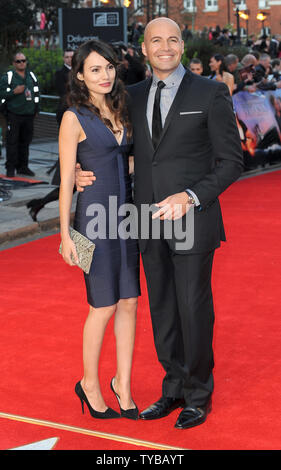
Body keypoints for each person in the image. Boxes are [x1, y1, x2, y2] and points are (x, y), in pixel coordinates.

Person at [75, 18, 243, 429]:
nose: (164, 47)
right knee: (163, 308)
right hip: (145, 221)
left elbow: (232, 161)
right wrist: (79, 170)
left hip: (192, 219)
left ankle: (198, 395)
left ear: (182, 46)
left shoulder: (211, 92)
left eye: (172, 39)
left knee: (193, 307)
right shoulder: (128, 96)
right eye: (156, 41)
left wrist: (190, 197)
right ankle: (173, 389)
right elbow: (104, 141)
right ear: (144, 50)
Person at [59, 40, 140, 420]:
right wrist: (64, 235)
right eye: (94, 69)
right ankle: (89, 383)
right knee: (102, 305)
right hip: (92, 222)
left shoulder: (124, 107)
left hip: (127, 218)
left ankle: (122, 383)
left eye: (108, 67)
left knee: (130, 302)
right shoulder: (74, 118)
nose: (104, 75)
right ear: (79, 75)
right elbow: (65, 182)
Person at [26, 50, 74, 221]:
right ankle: (38, 204)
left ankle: (38, 204)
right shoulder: (66, 107)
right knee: (67, 187)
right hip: (75, 152)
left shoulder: (77, 104)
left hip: (79, 151)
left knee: (69, 187)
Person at [0, 52, 40, 177]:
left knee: (25, 142)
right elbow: (1, 93)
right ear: (13, 63)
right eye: (18, 61)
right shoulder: (8, 77)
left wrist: (36, 109)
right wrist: (14, 91)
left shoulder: (31, 75)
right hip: (14, 114)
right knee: (12, 142)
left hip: (29, 114)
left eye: (23, 60)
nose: (21, 63)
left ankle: (23, 167)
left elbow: (37, 93)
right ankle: (10, 168)